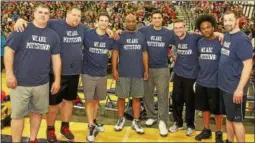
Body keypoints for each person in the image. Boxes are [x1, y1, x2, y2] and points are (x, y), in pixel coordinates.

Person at [14, 7, 114, 143]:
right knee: (53, 105)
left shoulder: (83, 28)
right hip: (55, 73)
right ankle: (50, 129)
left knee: (68, 102)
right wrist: (20, 20)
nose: (76, 18)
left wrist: (108, 30)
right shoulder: (55, 24)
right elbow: (39, 22)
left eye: (79, 16)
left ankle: (65, 127)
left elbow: (98, 32)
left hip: (74, 72)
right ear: (67, 15)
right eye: (74, 15)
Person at [4, 5, 61, 143]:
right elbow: (8, 51)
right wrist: (9, 74)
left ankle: (33, 139)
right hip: (20, 82)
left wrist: (57, 80)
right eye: (40, 12)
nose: (43, 15)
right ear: (34, 14)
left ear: (49, 16)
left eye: (46, 13)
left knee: (37, 112)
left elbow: (56, 59)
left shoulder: (52, 35)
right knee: (17, 116)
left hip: (42, 82)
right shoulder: (22, 29)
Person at [218, 10, 253, 143]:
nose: (227, 23)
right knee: (229, 117)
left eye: (230, 20)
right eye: (225, 20)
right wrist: (217, 33)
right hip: (225, 86)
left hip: (235, 89)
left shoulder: (243, 40)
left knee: (237, 121)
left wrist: (239, 89)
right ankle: (230, 140)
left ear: (237, 20)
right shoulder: (227, 35)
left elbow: (248, 66)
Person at [139, 10, 174, 137]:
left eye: (159, 18)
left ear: (162, 19)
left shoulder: (168, 33)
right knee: (147, 94)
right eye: (154, 18)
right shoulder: (144, 31)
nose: (157, 20)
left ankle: (163, 121)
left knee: (162, 95)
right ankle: (151, 115)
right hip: (147, 68)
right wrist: (117, 32)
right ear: (151, 19)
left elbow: (183, 38)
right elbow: (131, 34)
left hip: (162, 69)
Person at [112, 12, 149, 134]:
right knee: (121, 97)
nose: (131, 23)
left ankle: (136, 121)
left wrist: (146, 70)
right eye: (129, 21)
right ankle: (121, 119)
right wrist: (114, 69)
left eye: (133, 21)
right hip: (123, 73)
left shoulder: (141, 36)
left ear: (136, 22)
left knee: (137, 98)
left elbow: (144, 54)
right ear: (125, 22)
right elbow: (115, 53)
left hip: (138, 72)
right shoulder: (119, 36)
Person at [82, 12, 114, 142]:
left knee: (96, 100)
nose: (103, 22)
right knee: (89, 101)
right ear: (97, 21)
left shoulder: (109, 37)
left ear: (108, 23)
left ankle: (93, 121)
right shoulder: (88, 34)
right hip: (88, 73)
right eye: (101, 20)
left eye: (106, 21)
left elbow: (117, 40)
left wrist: (113, 32)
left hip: (102, 74)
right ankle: (90, 127)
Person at [169, 19, 202, 136]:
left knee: (189, 102)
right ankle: (178, 123)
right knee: (176, 99)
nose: (178, 30)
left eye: (180, 27)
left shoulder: (194, 37)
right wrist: (173, 55)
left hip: (191, 75)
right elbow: (171, 50)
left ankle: (190, 125)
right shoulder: (174, 38)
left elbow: (209, 35)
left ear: (185, 27)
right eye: (176, 28)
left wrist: (219, 34)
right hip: (178, 74)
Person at [194, 14, 223, 143]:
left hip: (216, 82)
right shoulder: (200, 42)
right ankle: (206, 130)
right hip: (201, 81)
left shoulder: (220, 41)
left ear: (213, 28)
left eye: (208, 27)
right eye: (203, 28)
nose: (205, 30)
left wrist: (221, 35)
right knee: (204, 108)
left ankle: (218, 132)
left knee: (217, 110)